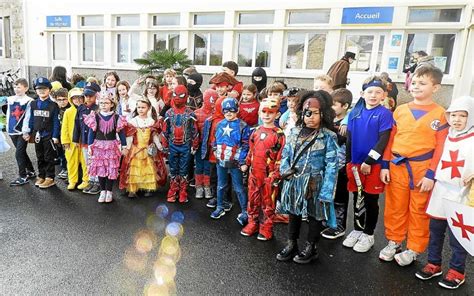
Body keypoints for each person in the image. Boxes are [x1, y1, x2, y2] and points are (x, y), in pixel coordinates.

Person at [380, 66, 449, 266]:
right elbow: (390, 140)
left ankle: (414, 248)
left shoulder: (441, 114)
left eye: (423, 83)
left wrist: (431, 174)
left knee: (419, 209)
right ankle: (394, 241)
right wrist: (385, 165)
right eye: (415, 82)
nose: (417, 86)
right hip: (396, 166)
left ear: (435, 87)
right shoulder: (400, 110)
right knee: (394, 206)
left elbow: (441, 148)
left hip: (422, 169)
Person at [416, 96, 473, 289]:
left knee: (458, 234)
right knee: (436, 230)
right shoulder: (446, 134)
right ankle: (434, 263)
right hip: (441, 189)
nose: (457, 119)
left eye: (462, 116)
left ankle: (457, 271)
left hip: (462, 192)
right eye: (453, 115)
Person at [276, 90, 338, 264]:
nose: (310, 117)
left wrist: (327, 191)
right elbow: (286, 154)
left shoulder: (328, 136)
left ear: (323, 114)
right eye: (307, 113)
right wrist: (285, 170)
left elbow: (332, 165)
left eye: (315, 113)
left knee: (314, 215)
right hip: (294, 180)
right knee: (293, 212)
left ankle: (311, 247)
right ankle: (291, 243)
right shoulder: (294, 132)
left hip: (314, 182)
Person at [342, 77, 393, 253]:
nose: (373, 95)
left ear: (384, 95)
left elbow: (383, 140)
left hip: (373, 165)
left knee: (371, 200)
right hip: (355, 164)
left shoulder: (385, 114)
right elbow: (349, 139)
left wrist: (369, 161)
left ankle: (369, 234)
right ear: (363, 94)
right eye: (370, 91)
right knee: (357, 198)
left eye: (378, 92)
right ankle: (357, 229)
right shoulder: (354, 113)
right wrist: (349, 162)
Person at [241, 98, 285, 240]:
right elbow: (251, 151)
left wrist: (276, 173)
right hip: (254, 173)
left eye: (270, 112)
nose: (266, 115)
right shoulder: (256, 131)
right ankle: (252, 223)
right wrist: (246, 164)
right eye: (264, 111)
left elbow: (281, 155)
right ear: (259, 113)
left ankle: (266, 227)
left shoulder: (279, 134)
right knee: (253, 199)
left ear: (277, 115)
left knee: (268, 201)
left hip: (269, 175)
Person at [210, 97, 251, 226]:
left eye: (232, 110)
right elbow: (215, 139)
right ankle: (220, 206)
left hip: (235, 162)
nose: (229, 113)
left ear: (237, 110)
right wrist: (215, 150)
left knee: (238, 187)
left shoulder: (243, 126)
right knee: (221, 185)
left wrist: (243, 161)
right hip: (221, 159)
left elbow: (246, 145)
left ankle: (245, 211)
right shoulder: (220, 124)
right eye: (226, 110)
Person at [321, 88, 352, 240]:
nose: (331, 108)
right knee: (328, 193)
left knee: (340, 196)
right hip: (328, 164)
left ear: (345, 106)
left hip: (341, 165)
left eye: (335, 105)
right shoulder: (330, 120)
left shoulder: (349, 123)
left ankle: (339, 226)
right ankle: (329, 221)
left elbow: (341, 140)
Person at [84, 92, 127, 203]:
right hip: (98, 146)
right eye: (101, 103)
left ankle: (109, 191)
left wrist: (124, 146)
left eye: (106, 103)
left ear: (112, 104)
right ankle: (102, 191)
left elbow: (121, 133)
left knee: (111, 169)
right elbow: (91, 132)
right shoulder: (95, 116)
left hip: (112, 146)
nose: (103, 105)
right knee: (100, 169)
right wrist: (90, 145)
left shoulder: (117, 117)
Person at [120, 96, 167, 198]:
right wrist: (127, 148)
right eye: (139, 107)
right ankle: (133, 189)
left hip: (148, 148)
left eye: (143, 107)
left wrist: (160, 147)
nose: (140, 109)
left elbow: (154, 136)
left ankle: (147, 187)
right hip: (136, 149)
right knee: (134, 169)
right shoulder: (133, 121)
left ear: (149, 108)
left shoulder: (151, 121)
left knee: (148, 168)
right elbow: (130, 137)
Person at [162, 85, 199, 203]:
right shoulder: (168, 113)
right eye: (175, 95)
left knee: (184, 169)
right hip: (172, 145)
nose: (178, 98)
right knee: (173, 168)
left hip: (185, 146)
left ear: (186, 97)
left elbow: (195, 131)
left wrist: (195, 145)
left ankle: (183, 190)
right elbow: (165, 131)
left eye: (181, 96)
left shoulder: (191, 114)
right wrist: (165, 146)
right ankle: (173, 190)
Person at [23, 77, 60, 189]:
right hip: (37, 135)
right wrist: (28, 131)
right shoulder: (33, 104)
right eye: (39, 89)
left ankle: (50, 177)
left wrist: (55, 136)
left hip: (48, 135)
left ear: (49, 90)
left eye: (44, 89)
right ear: (35, 90)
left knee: (49, 156)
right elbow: (30, 119)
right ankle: (41, 175)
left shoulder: (53, 105)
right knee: (40, 156)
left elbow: (56, 122)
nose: (42, 91)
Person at [73, 82, 101, 195]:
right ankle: (91, 179)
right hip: (84, 141)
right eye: (86, 96)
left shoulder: (98, 108)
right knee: (88, 162)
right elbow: (77, 125)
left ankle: (98, 182)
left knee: (97, 162)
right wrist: (76, 139)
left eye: (91, 96)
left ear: (96, 96)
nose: (88, 98)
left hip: (96, 142)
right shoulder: (81, 108)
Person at [7, 78, 36, 186]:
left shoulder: (29, 101)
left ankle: (23, 176)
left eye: (19, 87)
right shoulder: (10, 99)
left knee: (19, 153)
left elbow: (28, 117)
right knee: (21, 152)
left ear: (26, 88)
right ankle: (31, 171)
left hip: (22, 131)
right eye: (15, 87)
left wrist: (26, 132)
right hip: (11, 130)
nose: (16, 89)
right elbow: (9, 114)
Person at [61, 88, 89, 191]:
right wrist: (65, 141)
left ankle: (86, 180)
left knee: (86, 161)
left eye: (80, 97)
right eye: (74, 98)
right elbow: (65, 128)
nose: (77, 100)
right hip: (72, 143)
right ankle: (72, 180)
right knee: (71, 161)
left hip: (84, 141)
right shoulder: (68, 112)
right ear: (71, 99)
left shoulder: (87, 110)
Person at [194, 89, 218, 199]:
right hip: (199, 145)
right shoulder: (196, 113)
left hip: (210, 146)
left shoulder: (216, 115)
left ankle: (207, 186)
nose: (212, 103)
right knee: (199, 165)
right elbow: (193, 131)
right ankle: (199, 186)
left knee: (208, 167)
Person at [53, 87, 71, 180]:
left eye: (64, 99)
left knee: (67, 153)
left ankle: (68, 170)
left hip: (68, 136)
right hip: (59, 135)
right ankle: (64, 168)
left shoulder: (70, 109)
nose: (62, 102)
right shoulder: (55, 108)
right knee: (60, 153)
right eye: (59, 100)